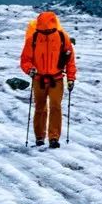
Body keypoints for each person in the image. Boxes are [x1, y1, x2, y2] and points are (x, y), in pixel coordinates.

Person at [19, 10, 76, 148]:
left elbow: (70, 60)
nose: (46, 33)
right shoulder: (33, 39)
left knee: (53, 107)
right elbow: (25, 60)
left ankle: (53, 138)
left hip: (55, 79)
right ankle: (40, 137)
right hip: (40, 79)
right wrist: (29, 69)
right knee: (41, 108)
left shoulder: (62, 38)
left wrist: (71, 77)